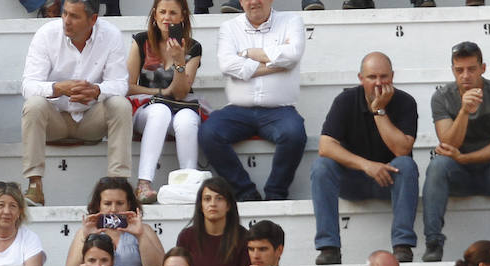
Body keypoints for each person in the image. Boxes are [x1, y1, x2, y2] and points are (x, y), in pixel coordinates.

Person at [421, 41, 490, 262]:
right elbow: (449, 143)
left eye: (471, 69)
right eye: (459, 70)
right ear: (453, 71)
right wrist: (464, 111)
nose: (465, 75)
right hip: (458, 174)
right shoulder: (442, 97)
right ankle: (433, 243)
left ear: (483, 68)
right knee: (438, 165)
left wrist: (465, 158)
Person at [311, 52, 418, 265]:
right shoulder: (345, 101)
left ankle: (402, 245)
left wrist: (379, 110)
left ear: (393, 76)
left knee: (406, 164)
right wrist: (367, 166)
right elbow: (325, 146)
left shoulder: (405, 101)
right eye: (372, 77)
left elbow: (402, 150)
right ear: (361, 78)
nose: (378, 83)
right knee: (322, 166)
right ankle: (329, 248)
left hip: (389, 180)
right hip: (352, 180)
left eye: (384, 77)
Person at [21, 0, 132, 206]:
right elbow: (28, 86)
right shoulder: (46, 34)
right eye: (64, 14)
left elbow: (120, 84)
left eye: (74, 16)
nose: (66, 21)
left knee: (121, 105)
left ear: (93, 19)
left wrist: (97, 91)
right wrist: (57, 88)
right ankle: (34, 186)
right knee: (34, 105)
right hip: (55, 120)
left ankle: (119, 185)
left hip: (92, 120)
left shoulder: (111, 35)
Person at [198, 0, 306, 203]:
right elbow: (228, 65)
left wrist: (248, 53)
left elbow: (292, 55)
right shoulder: (229, 27)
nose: (254, 1)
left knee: (294, 133)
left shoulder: (292, 21)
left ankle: (276, 193)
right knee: (208, 132)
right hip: (238, 110)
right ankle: (245, 193)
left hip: (279, 110)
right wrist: (277, 64)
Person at [127, 0, 203, 204]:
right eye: (162, 12)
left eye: (172, 13)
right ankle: (143, 183)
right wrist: (161, 91)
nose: (167, 17)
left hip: (180, 107)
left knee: (187, 119)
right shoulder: (141, 41)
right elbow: (128, 86)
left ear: (182, 16)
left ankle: (189, 184)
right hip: (147, 108)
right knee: (160, 110)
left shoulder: (193, 47)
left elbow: (180, 93)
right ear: (154, 15)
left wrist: (179, 61)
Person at [64, 177, 164, 266]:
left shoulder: (145, 230)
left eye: (119, 203)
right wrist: (85, 236)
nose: (113, 209)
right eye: (107, 203)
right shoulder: (85, 232)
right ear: (98, 205)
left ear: (129, 204)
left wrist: (140, 235)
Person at [175, 176, 250, 266]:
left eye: (219, 198)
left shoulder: (243, 237)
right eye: (207, 199)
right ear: (201, 206)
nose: (213, 204)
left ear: (228, 205)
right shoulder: (187, 237)